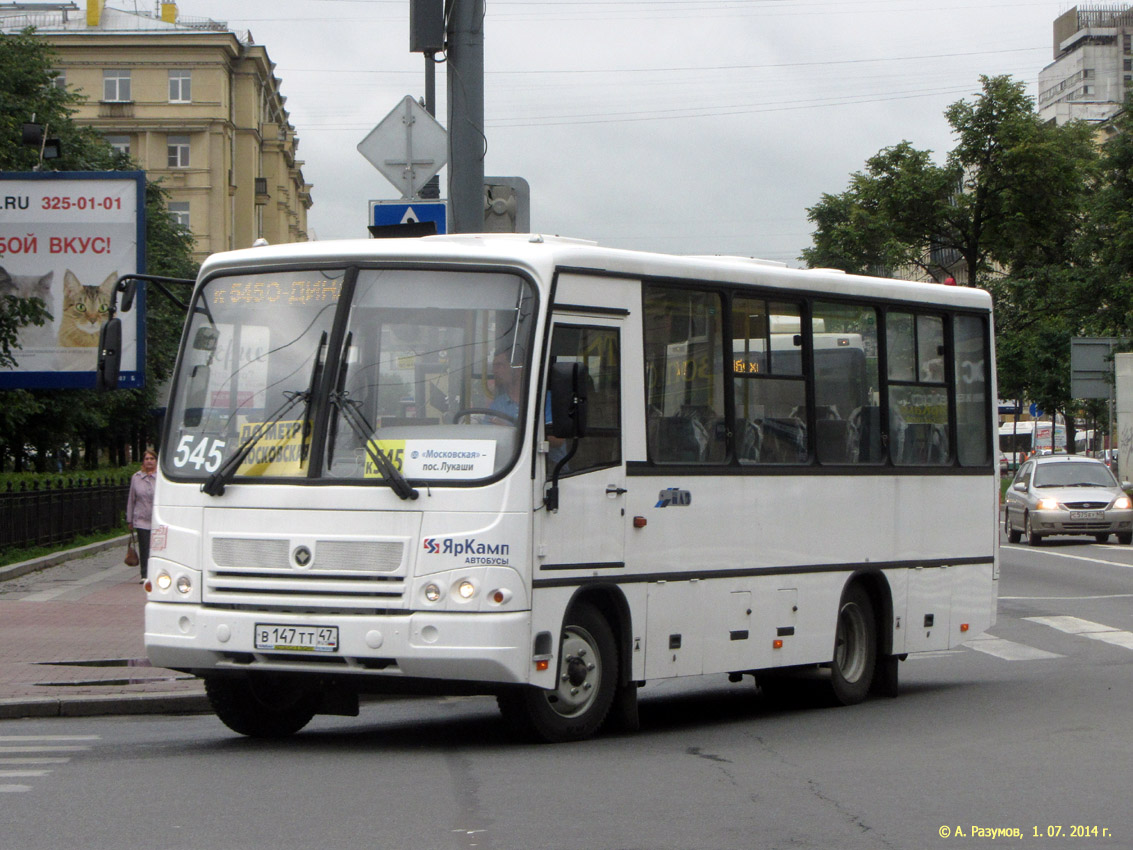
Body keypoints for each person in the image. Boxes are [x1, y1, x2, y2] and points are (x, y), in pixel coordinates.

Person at [127, 449, 157, 582]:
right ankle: (145, 575)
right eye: (147, 459)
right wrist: (130, 519)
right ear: (143, 462)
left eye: (152, 458)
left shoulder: (161, 477)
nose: (149, 461)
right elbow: (131, 499)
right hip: (142, 519)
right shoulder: (136, 477)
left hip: (158, 519)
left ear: (156, 461)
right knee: (144, 548)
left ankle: (156, 573)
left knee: (156, 548)